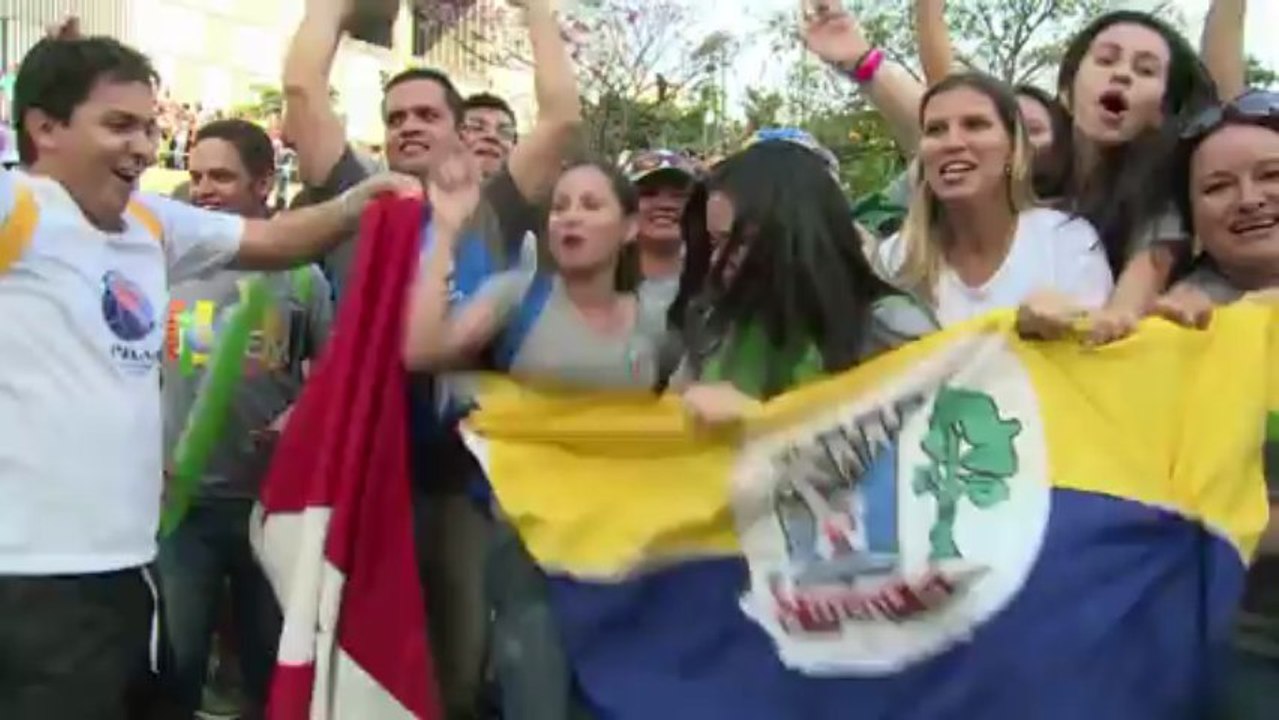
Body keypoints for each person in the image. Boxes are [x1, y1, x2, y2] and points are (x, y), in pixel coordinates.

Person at [0, 31, 411, 720]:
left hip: (128, 568)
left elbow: (274, 241)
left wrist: (354, 205)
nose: (141, 145)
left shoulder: (147, 220)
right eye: (118, 125)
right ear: (45, 128)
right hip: (31, 576)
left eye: (149, 127)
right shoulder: (16, 207)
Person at [282, 0, 582, 714]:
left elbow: (561, 118)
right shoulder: (360, 202)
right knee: (352, 668)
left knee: (452, 666)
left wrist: (536, 10)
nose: (410, 126)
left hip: (461, 485)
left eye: (426, 114)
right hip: (359, 476)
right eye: (396, 117)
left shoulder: (496, 207)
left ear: (459, 129)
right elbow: (301, 90)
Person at [406, 151, 662, 720]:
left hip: (625, 558)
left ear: (628, 228)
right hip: (526, 553)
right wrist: (445, 230)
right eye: (561, 206)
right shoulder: (515, 295)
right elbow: (420, 350)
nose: (569, 218)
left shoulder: (654, 320)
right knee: (536, 700)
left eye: (590, 205)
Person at [159, 118, 333, 720]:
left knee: (270, 665)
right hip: (181, 509)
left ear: (263, 182)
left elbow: (331, 374)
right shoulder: (165, 265)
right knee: (177, 668)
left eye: (221, 176)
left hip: (270, 508)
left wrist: (299, 415)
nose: (204, 188)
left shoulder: (304, 277)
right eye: (197, 175)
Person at [1147, 90, 1279, 720]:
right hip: (1245, 650)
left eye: (1272, 175)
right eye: (1219, 186)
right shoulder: (1169, 339)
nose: (1250, 198)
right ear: (1192, 220)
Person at [666, 139, 935, 411]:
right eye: (714, 243)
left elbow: (936, 440)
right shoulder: (717, 322)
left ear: (795, 235)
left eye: (739, 242)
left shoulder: (890, 329)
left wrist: (759, 422)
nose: (717, 260)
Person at [877, 73, 1113, 327]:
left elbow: (1100, 348)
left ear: (1014, 149)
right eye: (935, 130)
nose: (952, 143)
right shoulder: (895, 259)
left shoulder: (1066, 239)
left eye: (975, 124)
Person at [621, 148, 699, 310]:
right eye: (648, 193)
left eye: (679, 195)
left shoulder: (718, 279)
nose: (666, 204)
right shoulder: (598, 278)